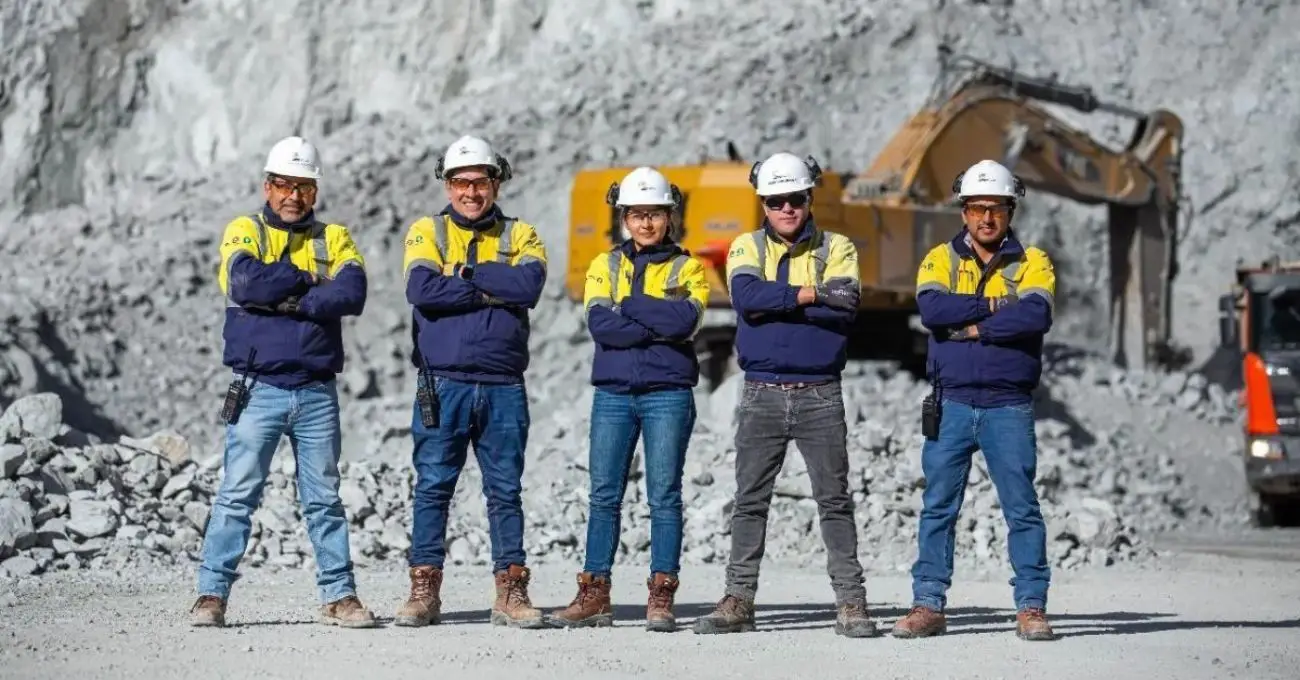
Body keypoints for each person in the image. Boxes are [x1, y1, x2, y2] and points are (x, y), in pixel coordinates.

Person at [191, 135, 375, 629]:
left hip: (316, 390)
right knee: (237, 493)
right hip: (258, 388)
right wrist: (310, 281)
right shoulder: (243, 230)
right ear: (267, 186)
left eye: (304, 187)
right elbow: (245, 283)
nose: (294, 196)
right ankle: (211, 595)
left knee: (325, 499)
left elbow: (353, 293)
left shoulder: (335, 236)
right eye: (284, 185)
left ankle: (340, 596)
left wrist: (286, 296)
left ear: (315, 192)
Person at [692, 152, 877, 638]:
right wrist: (812, 294)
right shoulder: (744, 246)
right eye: (777, 201)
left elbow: (847, 305)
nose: (787, 209)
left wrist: (781, 298)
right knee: (750, 500)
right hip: (761, 393)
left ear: (809, 198)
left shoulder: (839, 246)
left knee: (834, 500)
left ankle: (852, 603)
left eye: (795, 199)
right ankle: (738, 599)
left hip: (821, 393)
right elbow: (747, 301)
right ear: (764, 204)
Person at [891, 159, 1057, 642]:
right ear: (963, 211)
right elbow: (932, 309)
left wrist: (975, 327)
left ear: (1011, 210)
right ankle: (928, 604)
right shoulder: (939, 258)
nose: (987, 218)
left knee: (1022, 508)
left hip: (1008, 405)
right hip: (952, 403)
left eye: (997, 208)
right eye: (977, 208)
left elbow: (1035, 316)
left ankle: (1031, 606)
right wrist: (998, 305)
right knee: (938, 507)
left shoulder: (1035, 262)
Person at [545, 167, 710, 633]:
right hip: (614, 395)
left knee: (664, 496)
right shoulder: (603, 265)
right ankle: (595, 593)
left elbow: (686, 322)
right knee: (603, 495)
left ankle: (661, 595)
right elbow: (601, 325)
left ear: (669, 216)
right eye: (637, 214)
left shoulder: (689, 267)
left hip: (668, 395)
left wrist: (631, 307)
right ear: (623, 217)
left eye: (655, 213)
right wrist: (658, 317)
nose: (645, 223)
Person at [395, 135, 549, 629]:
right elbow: (421, 289)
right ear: (447, 183)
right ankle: (424, 590)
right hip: (443, 382)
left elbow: (528, 287)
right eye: (460, 182)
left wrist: (460, 276)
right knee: (434, 487)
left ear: (495, 182)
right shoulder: (426, 231)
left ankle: (511, 590)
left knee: (505, 490)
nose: (470, 192)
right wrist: (490, 289)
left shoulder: (522, 234)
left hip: (503, 383)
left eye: (479, 182)